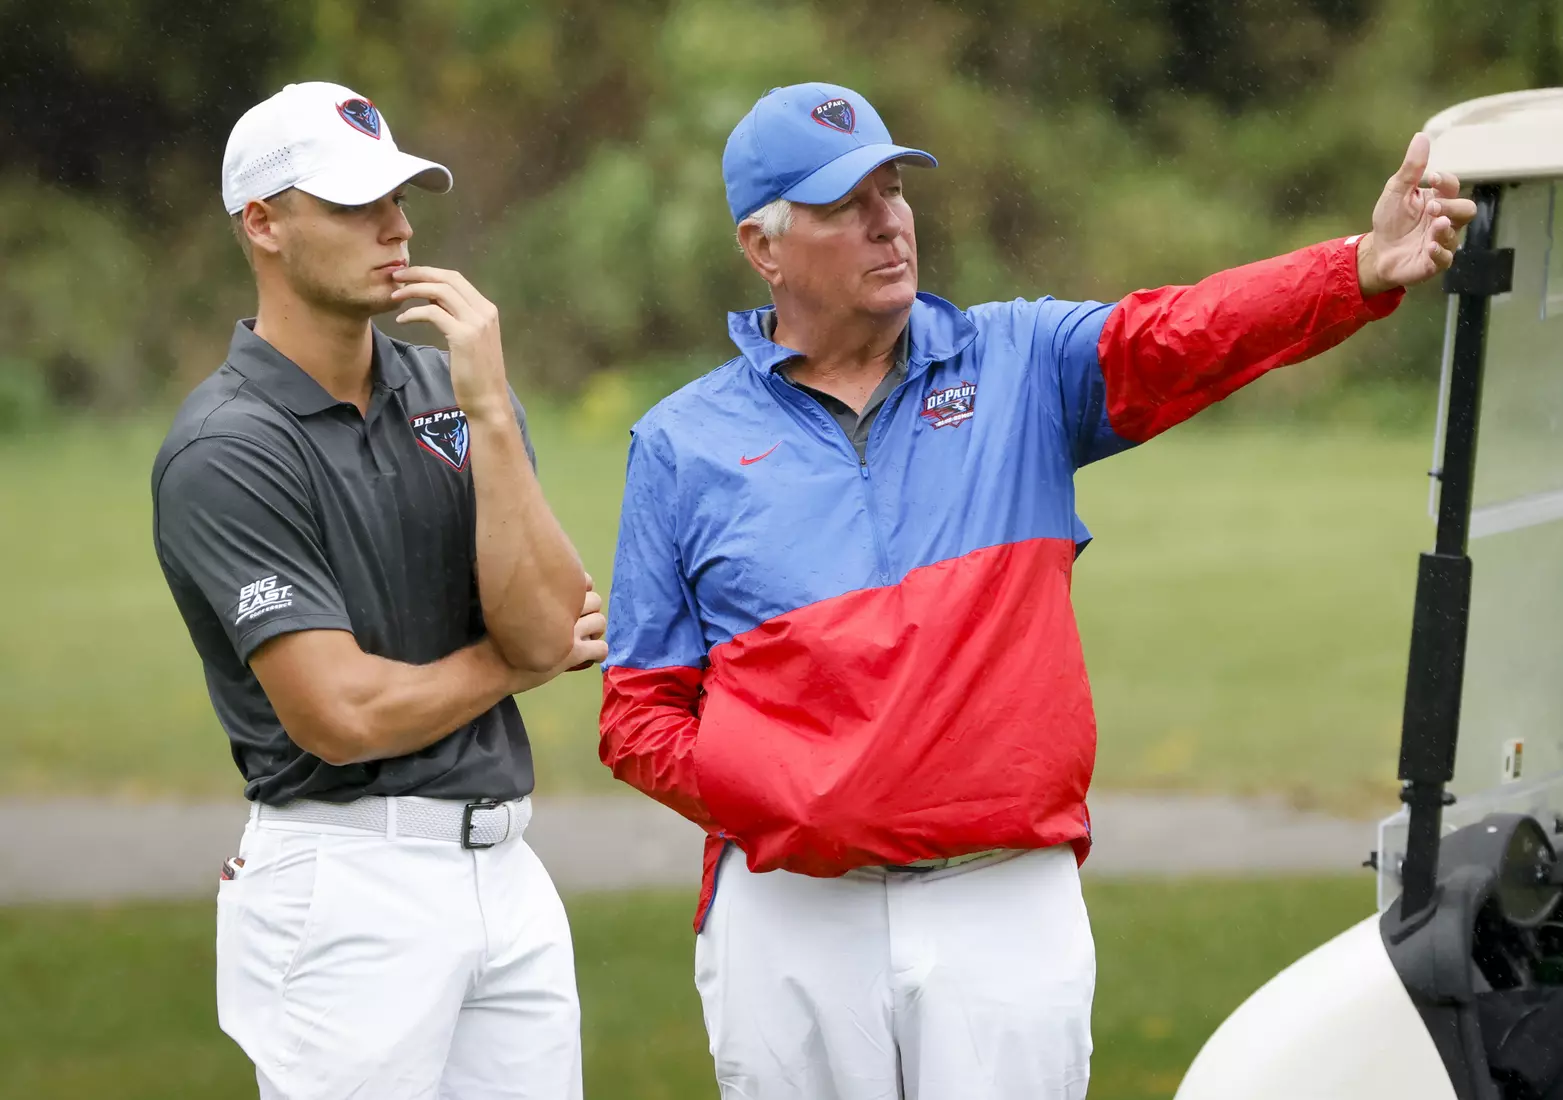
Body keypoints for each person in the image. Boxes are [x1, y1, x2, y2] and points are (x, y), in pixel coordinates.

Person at [598, 80, 1475, 1099]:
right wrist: (791, 794)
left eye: (894, 188)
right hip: (788, 911)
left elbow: (1185, 331)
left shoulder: (1018, 363)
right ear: (764, 247)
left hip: (1001, 903)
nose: (889, 221)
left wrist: (1359, 266)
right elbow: (638, 712)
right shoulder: (679, 443)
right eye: (847, 204)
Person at [151, 81, 600, 1100]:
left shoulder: (454, 389)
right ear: (262, 223)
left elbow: (549, 620)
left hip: (508, 874)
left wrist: (490, 409)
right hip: (344, 883)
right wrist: (512, 661)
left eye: (398, 197)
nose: (396, 226)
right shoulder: (226, 448)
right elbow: (341, 713)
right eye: (355, 204)